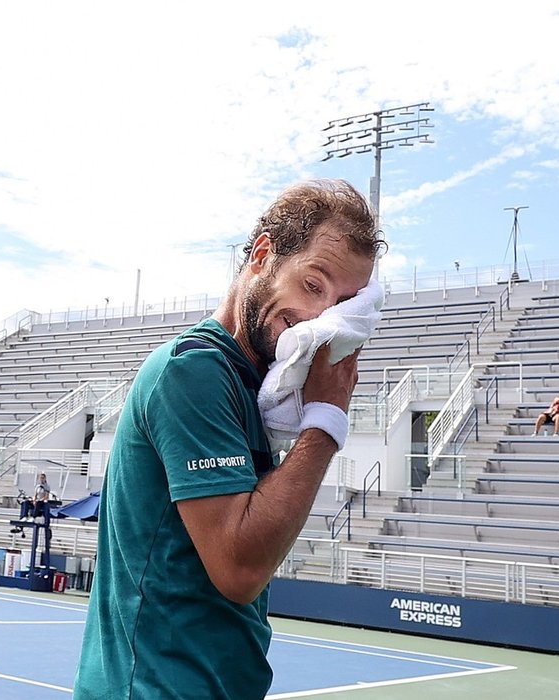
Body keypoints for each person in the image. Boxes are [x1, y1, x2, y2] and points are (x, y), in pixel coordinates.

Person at [74, 180, 383, 699]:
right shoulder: (195, 370)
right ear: (263, 255)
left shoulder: (251, 383)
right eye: (313, 284)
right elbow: (239, 569)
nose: (319, 317)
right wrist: (326, 421)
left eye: (341, 304)